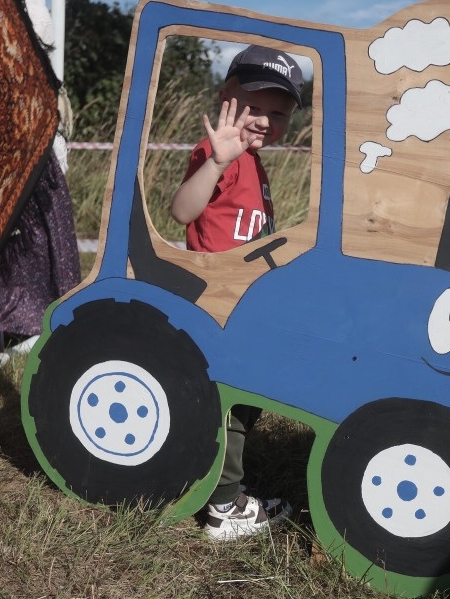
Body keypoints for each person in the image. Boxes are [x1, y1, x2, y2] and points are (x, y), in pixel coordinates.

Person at [170, 44, 303, 540]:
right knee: (230, 400)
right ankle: (224, 507)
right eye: (255, 107)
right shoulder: (219, 154)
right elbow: (183, 211)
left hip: (246, 306)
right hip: (216, 303)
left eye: (279, 113)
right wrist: (216, 162)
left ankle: (211, 480)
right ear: (227, 96)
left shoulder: (255, 164)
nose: (266, 121)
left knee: (245, 400)